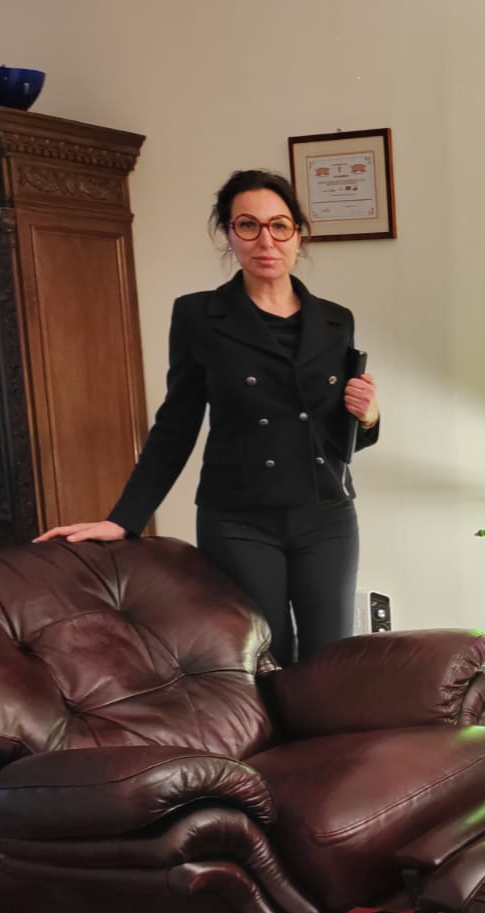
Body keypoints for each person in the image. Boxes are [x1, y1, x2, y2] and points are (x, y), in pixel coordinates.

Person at [37, 169, 379, 665]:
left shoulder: (335, 320)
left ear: (298, 234)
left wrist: (368, 418)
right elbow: (176, 425)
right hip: (239, 519)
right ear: (228, 234)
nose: (266, 240)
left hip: (326, 516)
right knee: (260, 659)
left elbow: (336, 436)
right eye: (248, 225)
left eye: (279, 225)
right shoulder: (199, 317)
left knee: (331, 660)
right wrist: (124, 519)